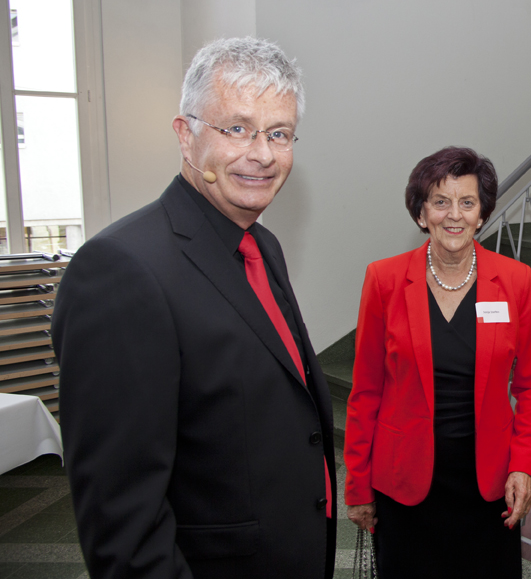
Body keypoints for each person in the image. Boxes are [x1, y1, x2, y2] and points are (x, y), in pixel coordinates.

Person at [52, 37, 336, 579]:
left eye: (278, 133)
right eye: (237, 129)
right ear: (186, 136)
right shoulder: (120, 269)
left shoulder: (262, 245)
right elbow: (123, 526)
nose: (262, 154)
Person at [344, 146, 531, 578]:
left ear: (482, 213)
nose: (454, 215)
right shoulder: (384, 280)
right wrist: (358, 485)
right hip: (405, 483)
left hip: (489, 486)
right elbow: (365, 392)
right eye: (440, 201)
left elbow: (530, 388)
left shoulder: (516, 281)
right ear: (422, 214)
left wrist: (524, 465)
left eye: (467, 202)